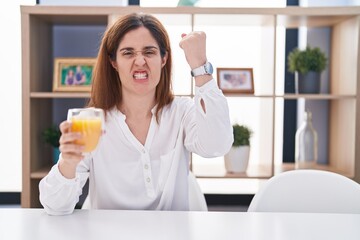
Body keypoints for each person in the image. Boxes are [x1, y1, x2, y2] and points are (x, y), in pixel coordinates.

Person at [39, 13, 233, 215]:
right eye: (128, 53)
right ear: (113, 62)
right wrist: (68, 163)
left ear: (163, 59)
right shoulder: (92, 120)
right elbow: (55, 206)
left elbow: (217, 145)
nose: (140, 61)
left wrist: (200, 66)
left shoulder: (181, 111)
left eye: (149, 52)